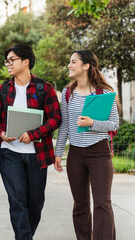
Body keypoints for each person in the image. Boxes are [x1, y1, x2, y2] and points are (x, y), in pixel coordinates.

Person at [0, 44, 61, 239]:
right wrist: (1, 133)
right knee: (17, 202)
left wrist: (34, 134)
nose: (8, 64)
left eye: (12, 60)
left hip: (37, 155)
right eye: (7, 61)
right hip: (9, 153)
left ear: (26, 61)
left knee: (35, 204)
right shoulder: (2, 90)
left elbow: (55, 118)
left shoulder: (45, 88)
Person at [54, 50, 120, 240]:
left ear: (86, 66)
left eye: (73, 62)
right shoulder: (68, 93)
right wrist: (59, 153)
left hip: (99, 152)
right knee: (80, 205)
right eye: (69, 61)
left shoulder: (104, 94)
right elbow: (65, 124)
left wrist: (92, 123)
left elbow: (114, 124)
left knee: (102, 204)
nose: (69, 65)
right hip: (75, 154)